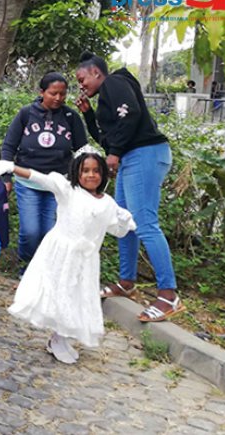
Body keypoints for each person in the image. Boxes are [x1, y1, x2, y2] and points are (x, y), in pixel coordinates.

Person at [0, 147, 136, 363]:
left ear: (103, 173)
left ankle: (60, 337)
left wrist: (124, 220)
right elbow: (41, 178)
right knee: (58, 293)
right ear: (77, 172)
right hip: (60, 253)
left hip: (85, 259)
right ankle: (58, 338)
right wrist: (12, 168)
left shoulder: (108, 202)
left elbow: (116, 229)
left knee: (76, 297)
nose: (91, 175)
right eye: (85, 170)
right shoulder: (69, 191)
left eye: (96, 170)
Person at [74, 52, 181, 322]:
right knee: (124, 221)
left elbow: (130, 116)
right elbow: (108, 141)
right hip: (132, 156)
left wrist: (116, 153)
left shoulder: (115, 83)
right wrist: (88, 115)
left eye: (82, 79)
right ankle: (126, 282)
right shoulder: (108, 98)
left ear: (96, 73)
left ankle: (169, 295)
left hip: (144, 154)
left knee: (145, 223)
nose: (81, 85)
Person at [2, 72, 87, 269]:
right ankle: (28, 262)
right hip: (28, 181)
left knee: (51, 231)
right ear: (42, 92)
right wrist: (6, 177)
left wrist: (83, 181)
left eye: (63, 94)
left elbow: (83, 150)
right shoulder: (25, 114)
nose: (58, 98)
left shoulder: (70, 117)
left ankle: (43, 269)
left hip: (58, 184)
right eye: (53, 93)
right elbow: (9, 146)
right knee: (30, 231)